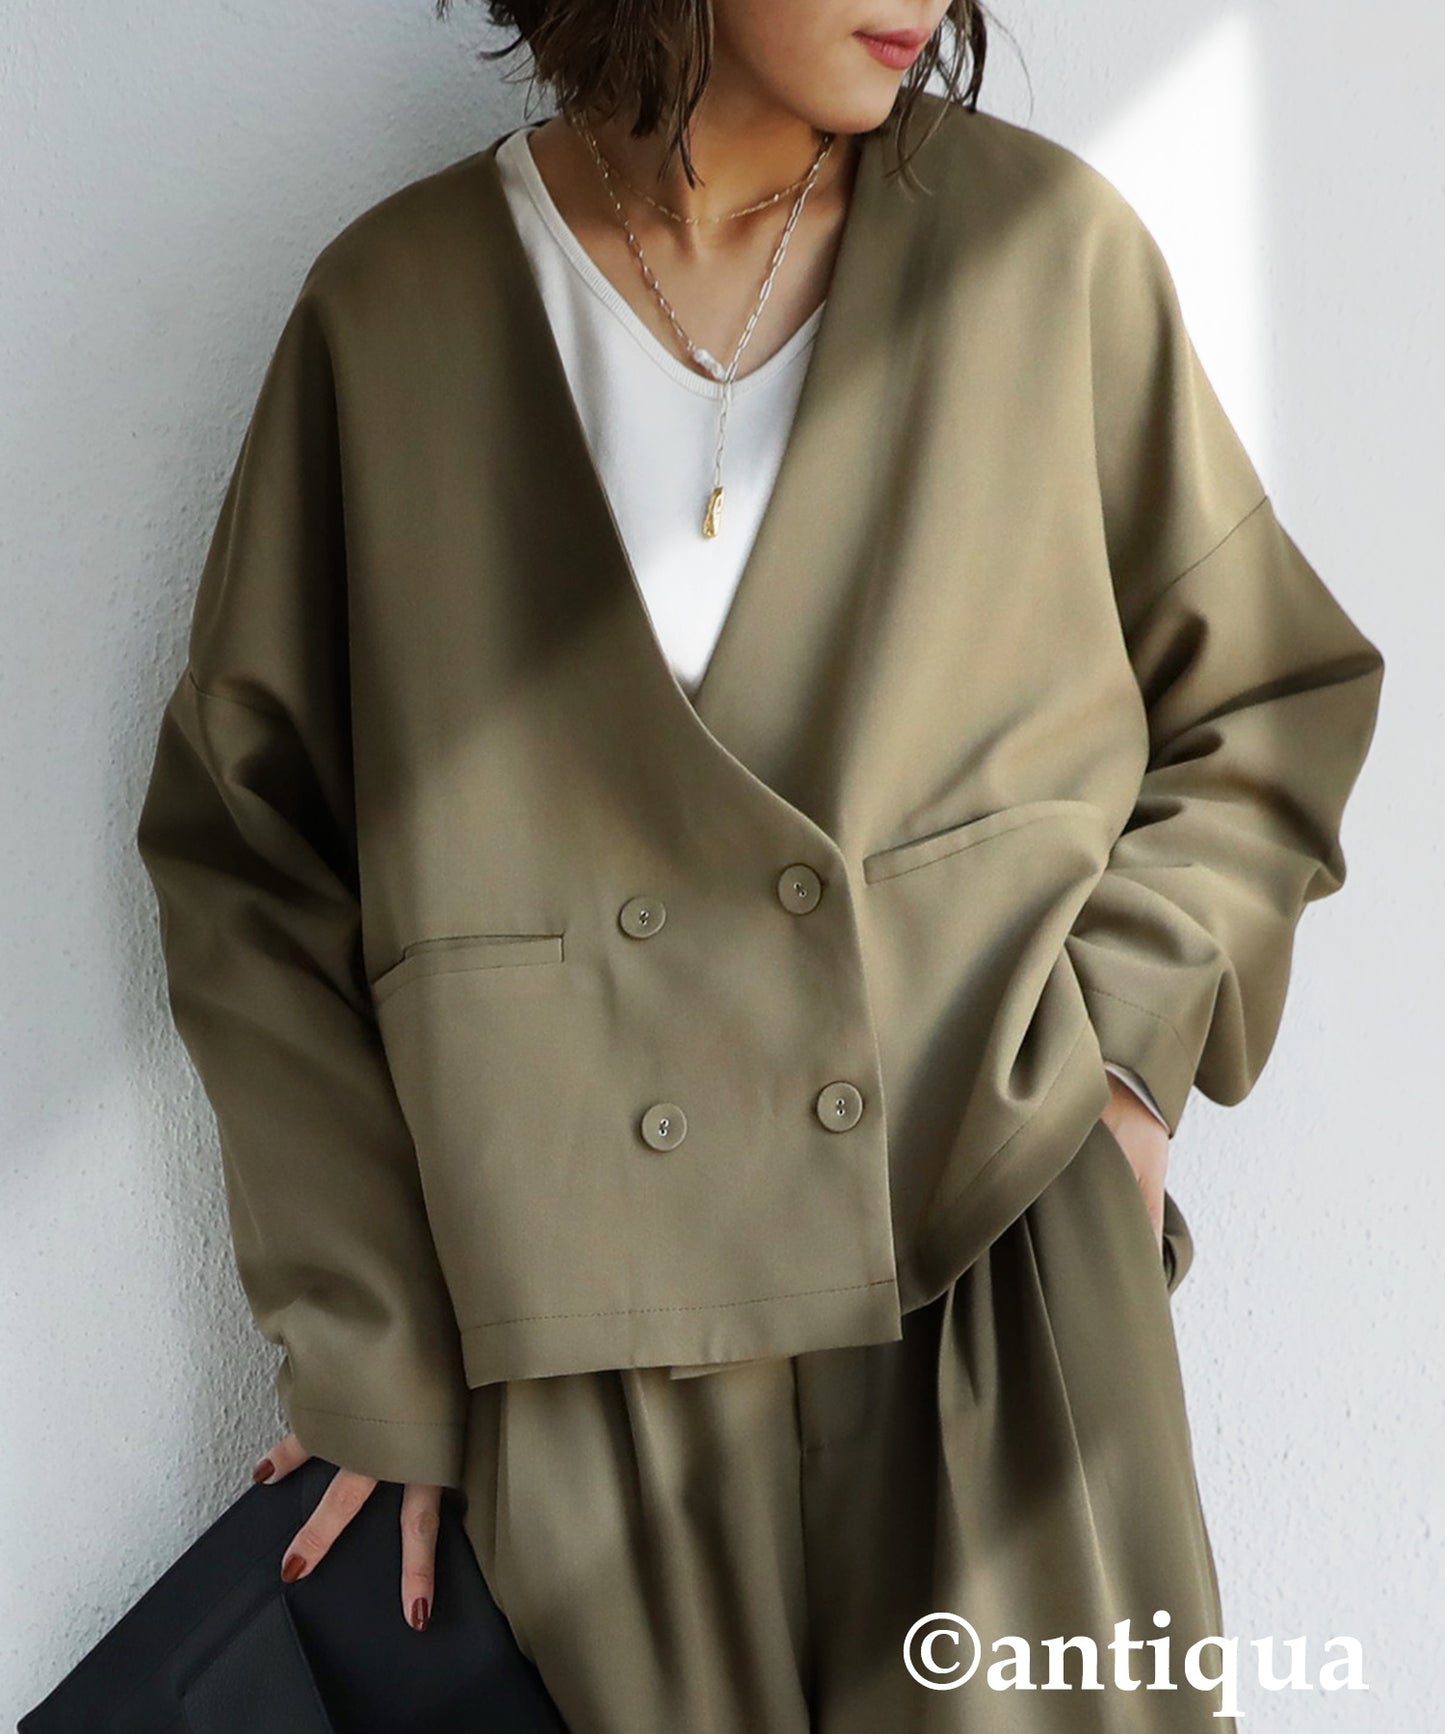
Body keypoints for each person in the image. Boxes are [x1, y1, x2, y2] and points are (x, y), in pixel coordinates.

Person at [134, 2, 1386, 1728]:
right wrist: (371, 1340)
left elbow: (1263, 697)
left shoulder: (1035, 254)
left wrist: (1117, 1068)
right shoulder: (397, 316)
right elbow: (245, 858)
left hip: (991, 1299)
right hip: (586, 1367)